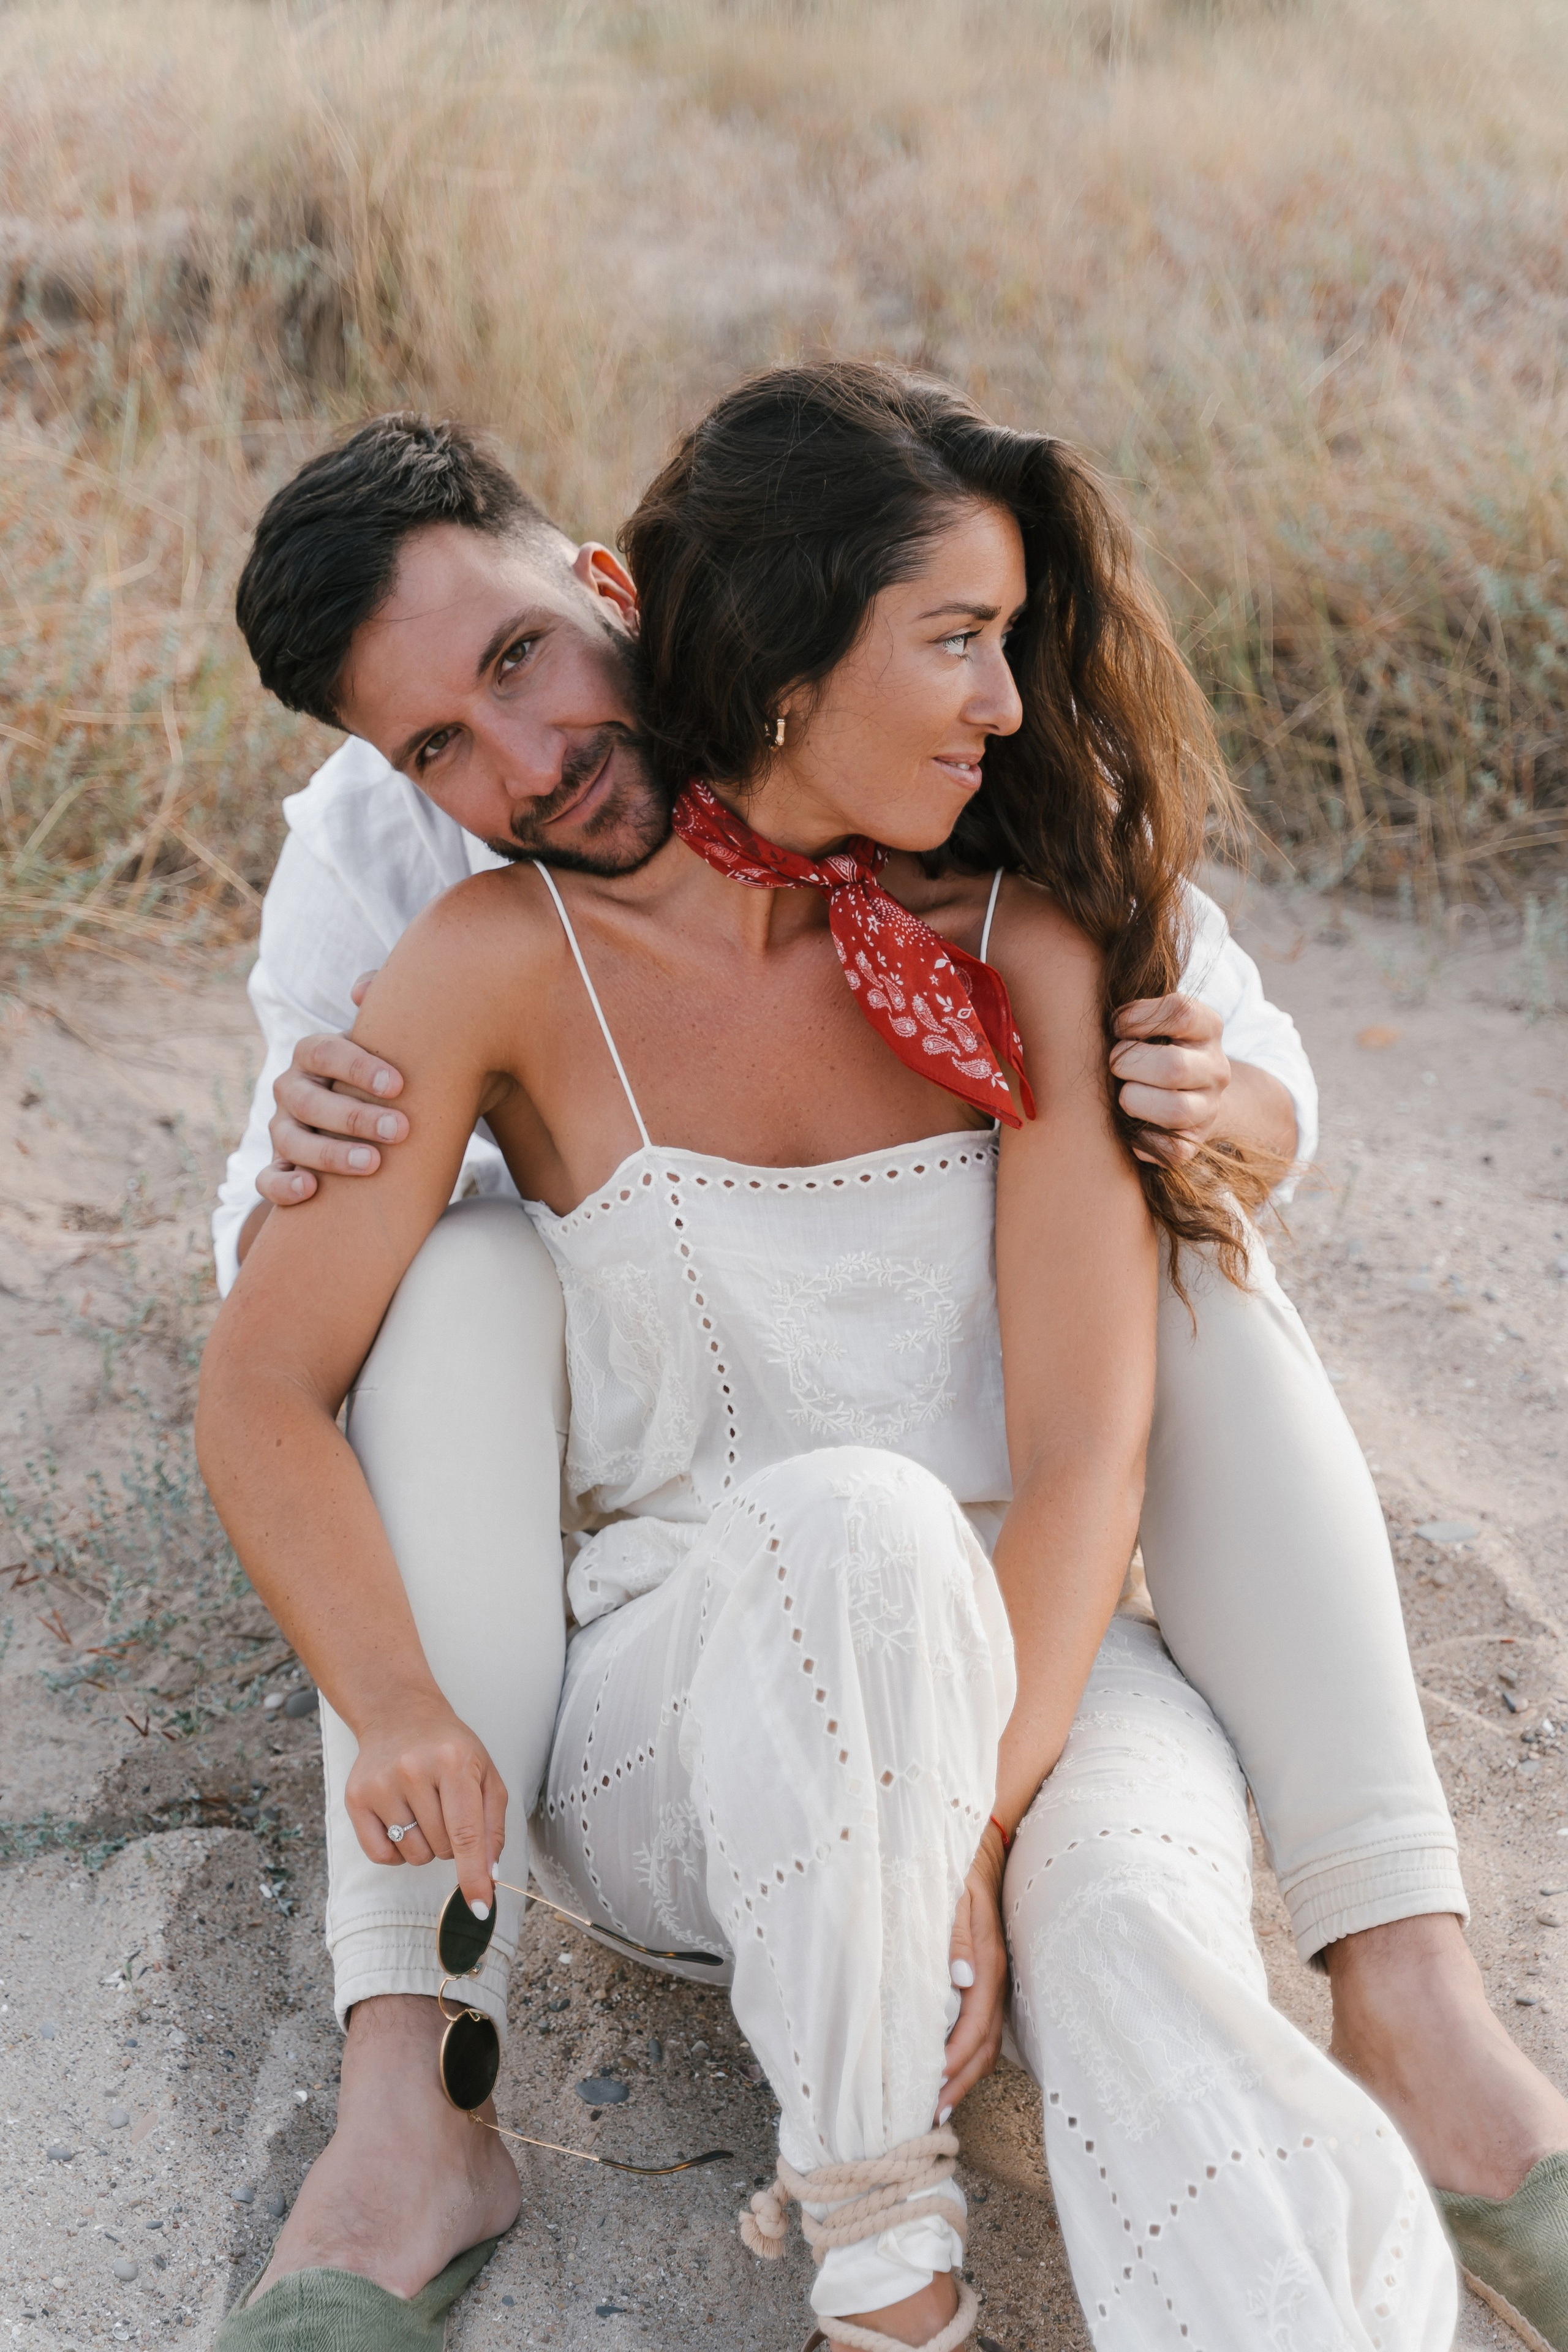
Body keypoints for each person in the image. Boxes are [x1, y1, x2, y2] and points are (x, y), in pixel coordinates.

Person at [200, 385, 1567, 2352]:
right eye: (437, 745)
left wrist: (981, 1840)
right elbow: (267, 1345)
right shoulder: (461, 933)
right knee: (613, 1368)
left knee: (1140, 1932)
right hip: (702, 1653)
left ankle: (1397, 2122)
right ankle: (837, 2265)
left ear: (615, 591)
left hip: (1034, 1657)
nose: (519, 756)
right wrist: (399, 1685)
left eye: (523, 660)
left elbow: (1143, 1330)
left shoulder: (1019, 910)